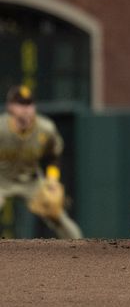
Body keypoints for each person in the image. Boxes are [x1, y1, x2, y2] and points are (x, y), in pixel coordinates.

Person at [0, 85, 83, 239]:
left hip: (30, 181)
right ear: (10, 107)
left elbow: (54, 156)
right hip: (1, 180)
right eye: (20, 104)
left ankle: (81, 249)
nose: (25, 109)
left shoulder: (46, 129)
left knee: (58, 216)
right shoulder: (1, 127)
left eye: (29, 104)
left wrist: (52, 180)